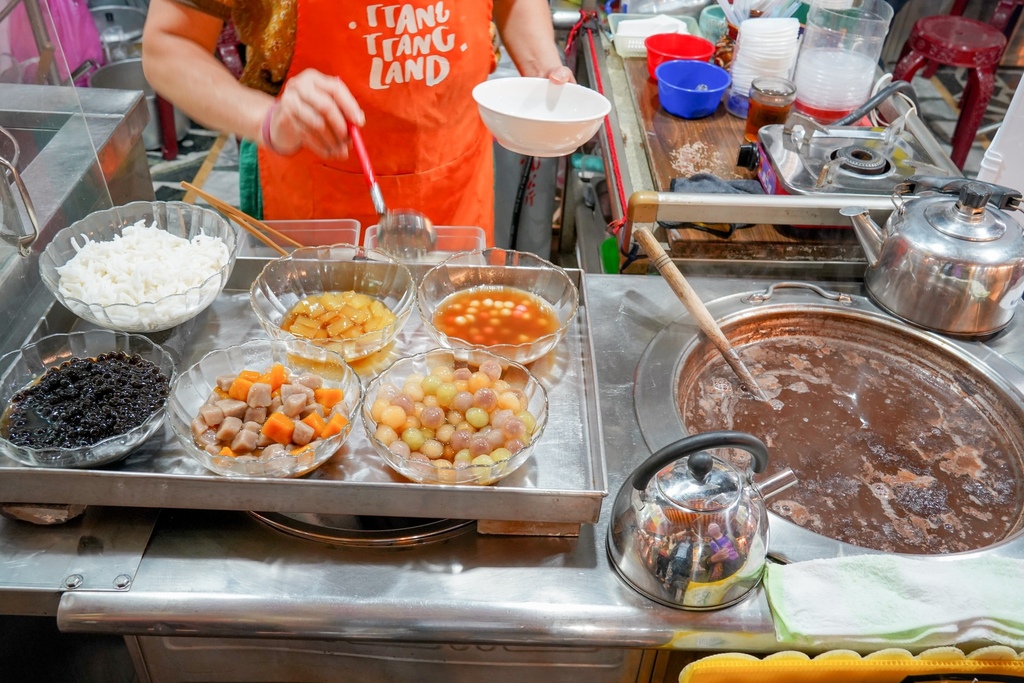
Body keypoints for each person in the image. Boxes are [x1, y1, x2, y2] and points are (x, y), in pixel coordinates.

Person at [142, 1, 574, 245]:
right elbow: (168, 44)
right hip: (319, 204)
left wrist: (543, 72)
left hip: (456, 187)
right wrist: (265, 117)